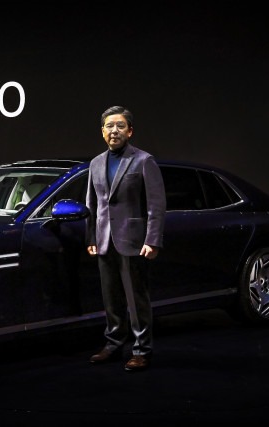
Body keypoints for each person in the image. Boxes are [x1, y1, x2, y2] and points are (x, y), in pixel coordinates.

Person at [86, 105, 166, 372]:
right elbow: (92, 205)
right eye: (109, 126)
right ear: (102, 131)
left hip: (133, 241)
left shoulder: (143, 160)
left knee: (136, 299)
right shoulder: (96, 163)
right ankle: (113, 344)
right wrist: (91, 236)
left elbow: (156, 205)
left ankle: (142, 350)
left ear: (130, 131)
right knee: (111, 299)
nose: (114, 130)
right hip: (104, 240)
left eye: (120, 126)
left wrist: (152, 240)